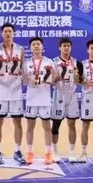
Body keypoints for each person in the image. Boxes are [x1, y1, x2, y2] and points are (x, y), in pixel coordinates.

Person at [0, 23, 26, 164]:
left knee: (17, 121)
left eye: (10, 31)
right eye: (5, 31)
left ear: (13, 33)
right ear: (1, 34)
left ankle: (18, 151)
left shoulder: (20, 49)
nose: (7, 34)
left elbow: (22, 68)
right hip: (1, 90)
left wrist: (24, 75)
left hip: (16, 90)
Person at [24, 37, 57, 165]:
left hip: (44, 98)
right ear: (30, 47)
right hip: (31, 98)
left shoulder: (49, 62)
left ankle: (48, 153)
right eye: (33, 44)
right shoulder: (26, 63)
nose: (36, 46)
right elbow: (24, 81)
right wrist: (27, 78)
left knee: (47, 127)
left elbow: (54, 79)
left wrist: (53, 76)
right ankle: (29, 152)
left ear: (42, 46)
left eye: (38, 44)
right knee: (30, 127)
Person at [51, 37, 83, 163]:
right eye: (64, 46)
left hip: (72, 94)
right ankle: (55, 152)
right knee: (56, 124)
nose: (66, 48)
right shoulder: (53, 62)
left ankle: (72, 152)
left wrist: (77, 78)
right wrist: (55, 78)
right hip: (59, 93)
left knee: (72, 124)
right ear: (60, 47)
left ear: (71, 47)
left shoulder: (77, 63)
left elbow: (80, 82)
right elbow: (49, 81)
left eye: (68, 46)